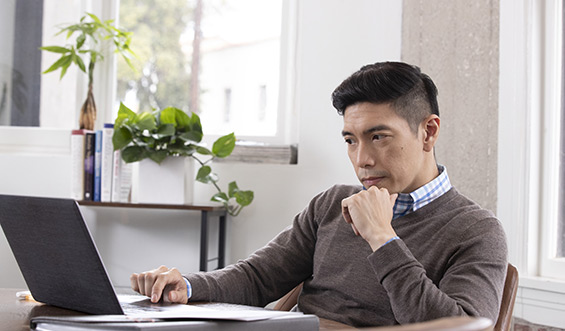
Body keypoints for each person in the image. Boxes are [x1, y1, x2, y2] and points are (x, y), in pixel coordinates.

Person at [130, 61, 508, 327]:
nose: (362, 160)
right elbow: (259, 277)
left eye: (378, 136)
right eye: (350, 139)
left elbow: (459, 327)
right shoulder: (331, 204)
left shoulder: (476, 231)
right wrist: (189, 285)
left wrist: (382, 236)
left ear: (428, 132)